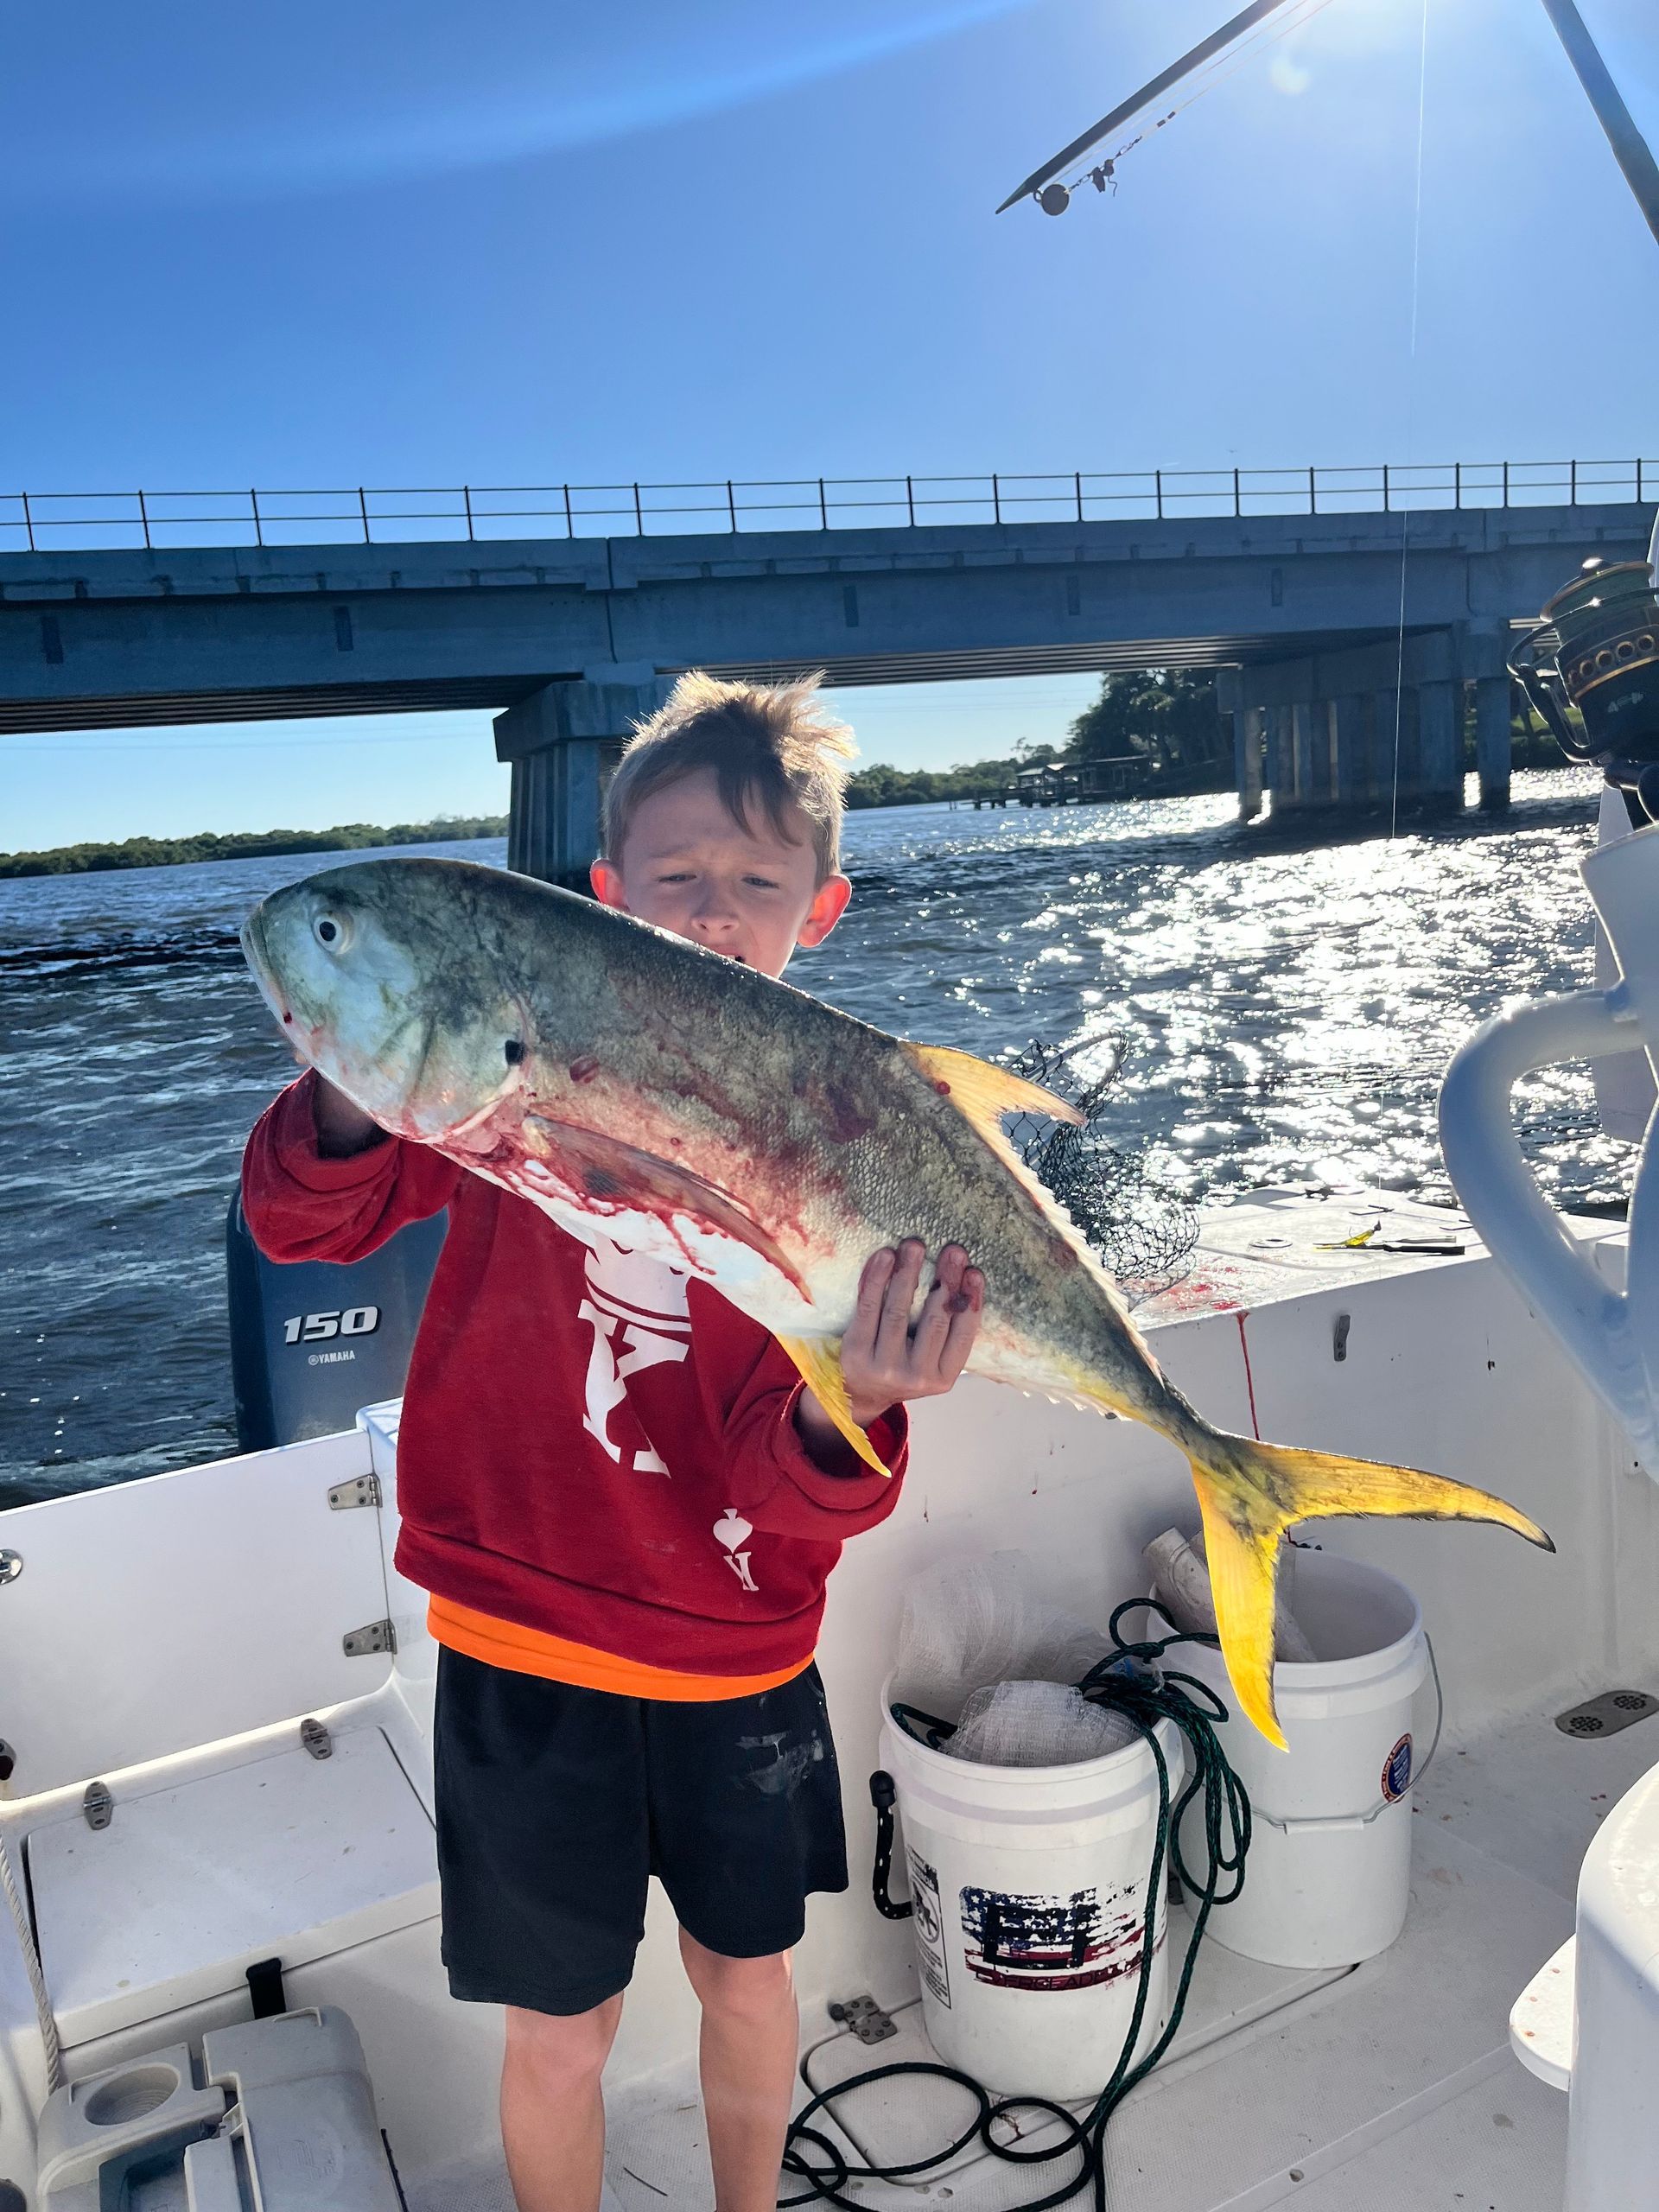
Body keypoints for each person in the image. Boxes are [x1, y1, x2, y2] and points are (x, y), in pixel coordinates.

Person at [240, 671, 983, 2212]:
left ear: (822, 911)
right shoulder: (507, 1078)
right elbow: (306, 1225)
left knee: (751, 1979)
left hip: (739, 1656)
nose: (714, 915)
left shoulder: (838, 1158)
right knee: (558, 2031)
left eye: (757, 886)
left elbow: (796, 1496)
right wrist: (358, 1085)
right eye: (677, 881)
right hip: (522, 1652)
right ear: (603, 894)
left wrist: (873, 1399)